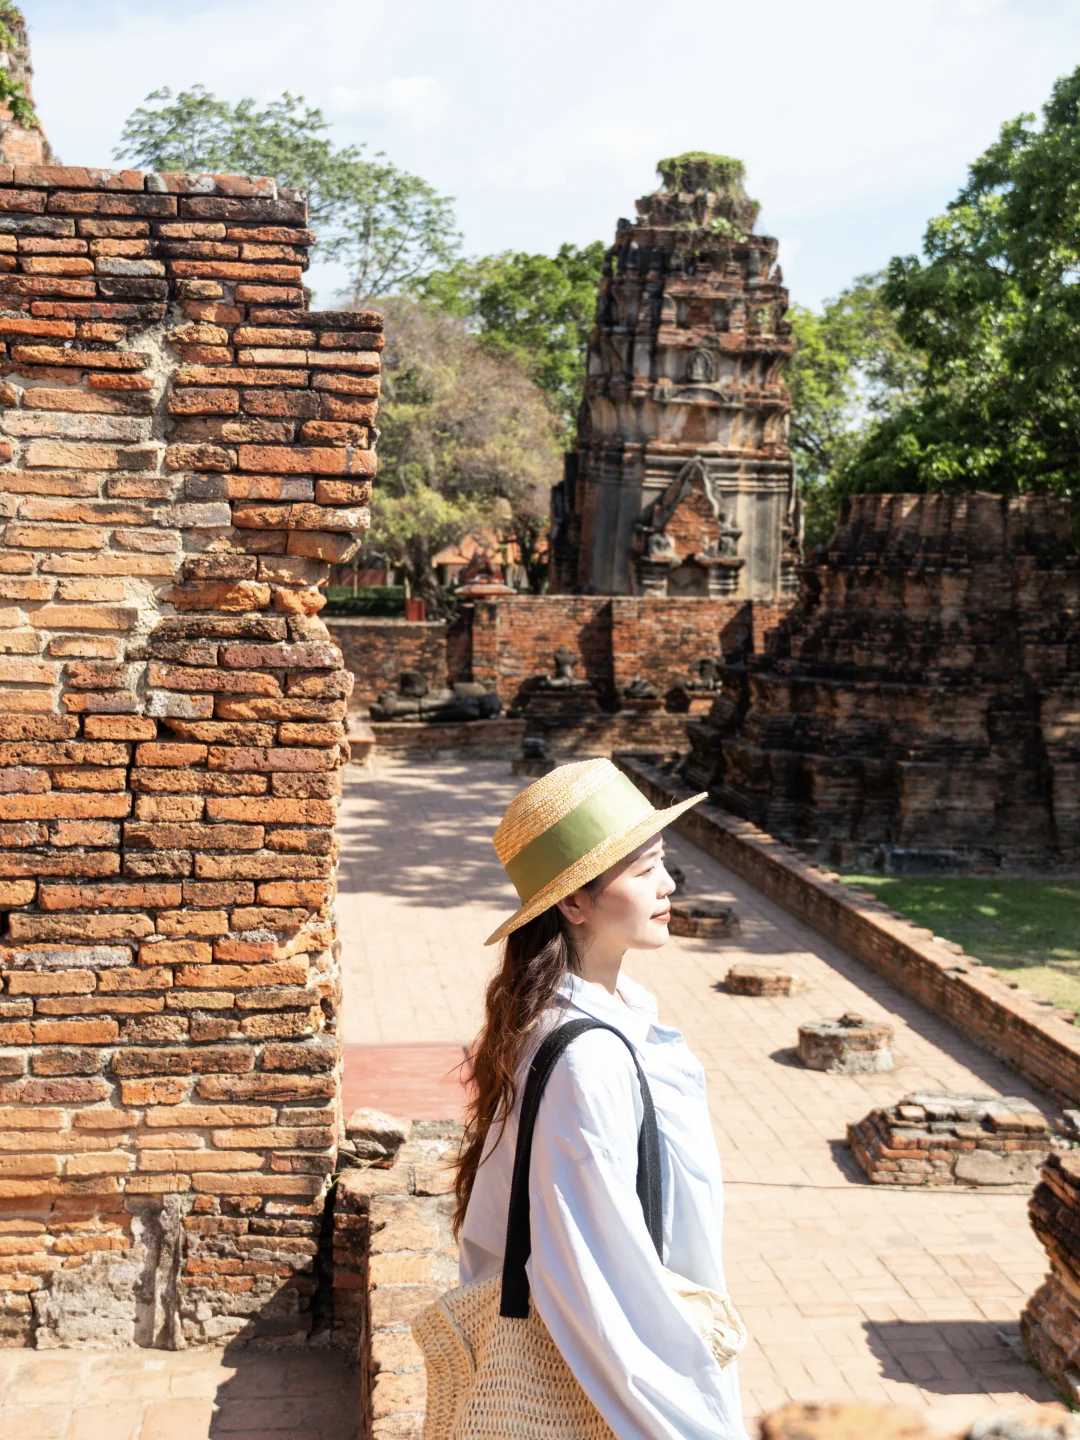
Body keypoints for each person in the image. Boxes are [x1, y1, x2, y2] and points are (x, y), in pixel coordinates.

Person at [453, 757, 750, 1439]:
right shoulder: (587, 1058)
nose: (667, 884)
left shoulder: (591, 1016)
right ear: (574, 904)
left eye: (662, 862)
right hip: (629, 1383)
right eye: (642, 871)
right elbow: (595, 1277)